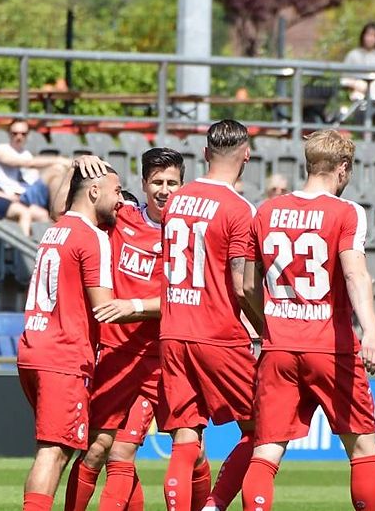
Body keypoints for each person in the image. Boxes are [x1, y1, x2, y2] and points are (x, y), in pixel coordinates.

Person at [239, 129, 375, 511]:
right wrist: (371, 332)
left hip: (278, 348)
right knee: (362, 448)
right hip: (330, 348)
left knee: (266, 452)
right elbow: (354, 273)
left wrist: (270, 323)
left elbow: (247, 285)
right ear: (343, 168)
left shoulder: (265, 211)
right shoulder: (347, 212)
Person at [58, 148, 188, 511]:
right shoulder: (120, 218)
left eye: (172, 183)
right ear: (144, 184)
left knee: (182, 448)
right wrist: (74, 170)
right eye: (157, 182)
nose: (164, 190)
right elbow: (66, 214)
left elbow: (186, 298)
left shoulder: (187, 234)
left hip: (160, 357)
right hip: (113, 354)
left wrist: (135, 307)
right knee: (98, 449)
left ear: (182, 185)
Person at [158, 119, 263, 511]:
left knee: (185, 438)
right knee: (262, 429)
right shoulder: (239, 209)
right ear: (246, 155)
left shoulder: (176, 201)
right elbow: (242, 285)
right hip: (217, 333)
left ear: (205, 154)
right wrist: (267, 328)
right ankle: (214, 505)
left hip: (172, 331)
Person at [18, 165, 124, 511]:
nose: (121, 200)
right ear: (94, 192)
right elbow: (104, 307)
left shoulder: (57, 228)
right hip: (63, 356)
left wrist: (74, 167)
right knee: (54, 450)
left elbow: (61, 205)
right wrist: (159, 306)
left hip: (33, 347)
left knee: (55, 447)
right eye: (116, 191)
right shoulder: (92, 237)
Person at [0, 119, 70, 217]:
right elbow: (25, 163)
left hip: (29, 193)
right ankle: (58, 216)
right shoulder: (1, 149)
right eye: (15, 133)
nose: (19, 137)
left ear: (28, 135)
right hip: (13, 196)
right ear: (9, 134)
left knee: (60, 171)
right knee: (56, 169)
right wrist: (58, 160)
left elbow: (34, 176)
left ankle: (60, 213)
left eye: (23, 134)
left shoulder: (26, 154)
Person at [340, 22, 375, 124]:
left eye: (373, 36)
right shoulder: (353, 55)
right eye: (368, 35)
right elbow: (344, 79)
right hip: (360, 100)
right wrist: (357, 85)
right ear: (363, 36)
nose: (370, 39)